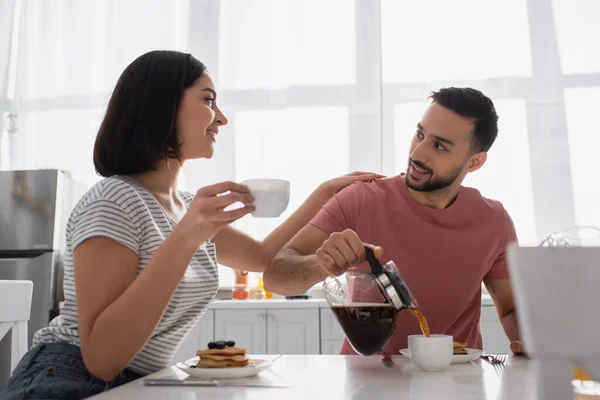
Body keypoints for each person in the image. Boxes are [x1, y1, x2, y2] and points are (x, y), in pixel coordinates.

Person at [0, 50, 381, 399]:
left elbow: (266, 257)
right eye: (208, 99)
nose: (222, 117)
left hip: (132, 384)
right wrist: (187, 237)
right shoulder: (114, 201)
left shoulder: (184, 208)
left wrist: (324, 194)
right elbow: (101, 358)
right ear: (162, 105)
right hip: (65, 381)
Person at [264, 87, 526, 356]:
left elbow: (511, 310)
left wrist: (531, 342)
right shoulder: (360, 199)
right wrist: (322, 264)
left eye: (439, 146)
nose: (418, 153)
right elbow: (275, 278)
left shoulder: (494, 222)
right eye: (419, 134)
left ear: (475, 162)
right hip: (367, 381)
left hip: (456, 380)